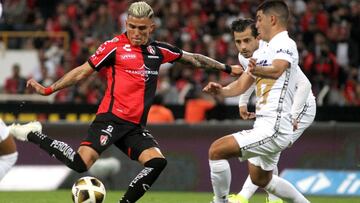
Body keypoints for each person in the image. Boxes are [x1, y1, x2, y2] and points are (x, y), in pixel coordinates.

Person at [9, 2, 241, 203]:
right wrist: (50, 89)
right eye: (131, 27)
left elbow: (194, 59)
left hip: (134, 127)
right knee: (81, 164)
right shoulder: (114, 47)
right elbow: (82, 71)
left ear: (151, 27)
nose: (136, 32)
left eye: (141, 28)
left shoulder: (158, 51)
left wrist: (227, 68)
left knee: (157, 163)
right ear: (126, 24)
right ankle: (34, 134)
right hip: (110, 119)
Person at [203, 1, 311, 203]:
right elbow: (241, 85)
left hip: (275, 126)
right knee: (261, 179)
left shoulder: (285, 44)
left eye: (259, 19)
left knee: (216, 150)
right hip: (265, 123)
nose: (257, 24)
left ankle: (220, 201)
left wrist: (253, 70)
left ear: (272, 19)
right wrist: (221, 91)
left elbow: (278, 69)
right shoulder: (261, 52)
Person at [226, 18, 316, 203]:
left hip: (302, 106)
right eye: (238, 41)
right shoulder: (244, 57)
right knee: (265, 156)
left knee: (266, 152)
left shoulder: (275, 51)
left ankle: (243, 198)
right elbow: (253, 78)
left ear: (258, 38)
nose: (243, 46)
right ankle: (272, 199)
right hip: (277, 108)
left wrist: (293, 115)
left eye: (247, 40)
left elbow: (305, 85)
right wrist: (242, 102)